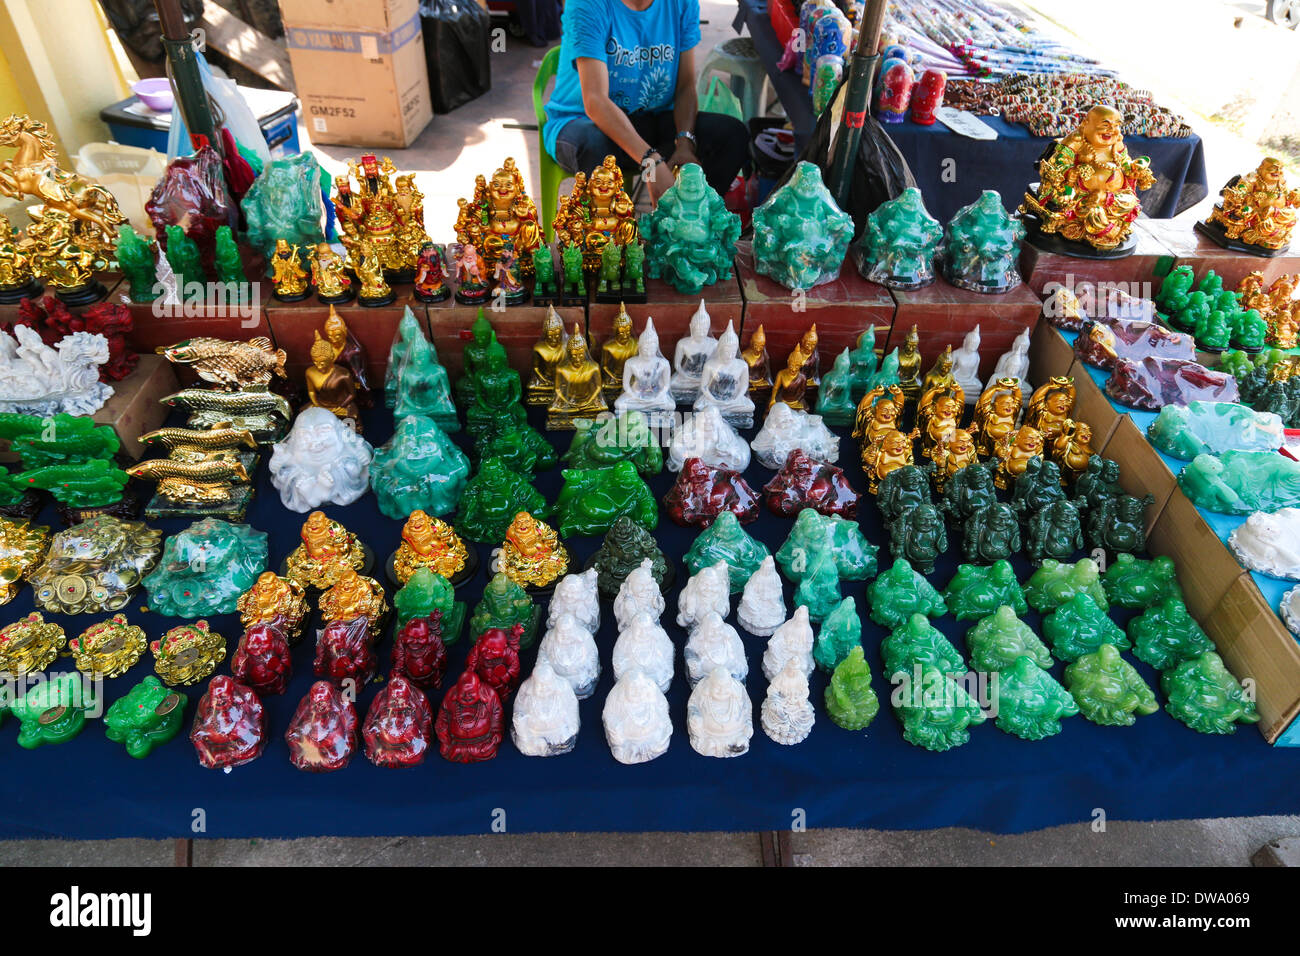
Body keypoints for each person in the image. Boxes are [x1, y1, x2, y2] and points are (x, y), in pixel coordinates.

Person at [544, 0, 750, 201]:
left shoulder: (682, 3)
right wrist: (652, 162)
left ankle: (692, 222)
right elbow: (595, 101)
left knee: (732, 134)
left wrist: (685, 143)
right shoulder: (587, 4)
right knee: (595, 146)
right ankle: (607, 232)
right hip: (583, 123)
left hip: (652, 120)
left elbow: (685, 86)